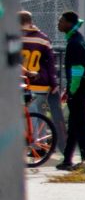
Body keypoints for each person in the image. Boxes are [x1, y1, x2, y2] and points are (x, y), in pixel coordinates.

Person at [18, 11, 62, 162]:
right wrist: (54, 82)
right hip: (41, 82)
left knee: (28, 115)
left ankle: (33, 144)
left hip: (21, 81)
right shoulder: (43, 39)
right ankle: (40, 144)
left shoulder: (13, 38)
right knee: (39, 114)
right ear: (30, 22)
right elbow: (50, 63)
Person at [56, 12, 85, 165]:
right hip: (79, 86)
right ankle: (67, 159)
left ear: (69, 24)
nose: (59, 23)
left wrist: (72, 90)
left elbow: (77, 69)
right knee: (74, 123)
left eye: (61, 21)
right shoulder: (74, 39)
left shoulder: (75, 43)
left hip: (80, 86)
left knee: (80, 124)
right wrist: (69, 90)